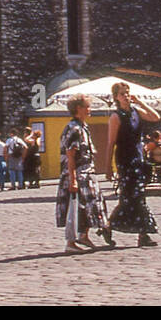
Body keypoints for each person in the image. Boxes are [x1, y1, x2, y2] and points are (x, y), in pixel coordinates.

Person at [106, 81, 160, 247]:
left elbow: (156, 117)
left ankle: (142, 234)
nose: (126, 96)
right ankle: (111, 226)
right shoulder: (116, 116)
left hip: (138, 158)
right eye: (122, 94)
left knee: (138, 196)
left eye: (128, 93)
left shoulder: (136, 111)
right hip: (125, 160)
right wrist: (108, 167)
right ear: (116, 97)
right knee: (131, 196)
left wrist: (140, 101)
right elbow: (111, 142)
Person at [55, 95, 108, 253]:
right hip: (78, 175)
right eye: (87, 106)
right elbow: (70, 155)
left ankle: (83, 236)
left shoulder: (82, 126)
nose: (89, 109)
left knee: (88, 208)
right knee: (75, 207)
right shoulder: (74, 129)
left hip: (86, 175)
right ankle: (70, 243)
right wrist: (72, 180)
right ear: (78, 108)